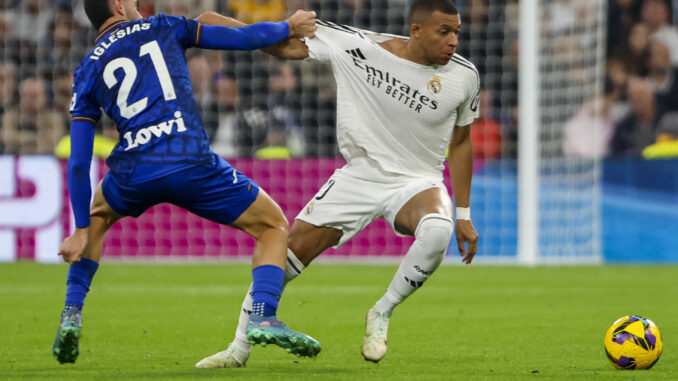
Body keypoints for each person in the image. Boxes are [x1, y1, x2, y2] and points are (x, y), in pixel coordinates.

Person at [196, 0, 479, 367]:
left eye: (456, 32)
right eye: (445, 32)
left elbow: (460, 142)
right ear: (416, 30)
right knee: (285, 255)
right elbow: (285, 45)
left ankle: (381, 312)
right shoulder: (358, 45)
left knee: (438, 230)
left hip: (417, 180)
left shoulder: (464, 76)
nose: (453, 41)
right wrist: (220, 27)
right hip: (358, 176)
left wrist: (464, 212)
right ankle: (237, 350)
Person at [53, 0, 321, 364]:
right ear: (117, 4)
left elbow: (79, 163)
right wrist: (287, 26)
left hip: (134, 170)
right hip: (189, 159)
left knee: (98, 214)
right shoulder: (163, 26)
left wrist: (80, 229)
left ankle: (71, 314)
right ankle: (262, 315)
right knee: (273, 225)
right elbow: (243, 38)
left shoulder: (86, 68)